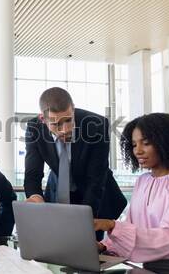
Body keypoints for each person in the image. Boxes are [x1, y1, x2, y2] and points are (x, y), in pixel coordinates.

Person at [94, 113, 169, 274]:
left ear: (165, 143)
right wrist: (104, 246)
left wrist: (112, 225)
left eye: (145, 143)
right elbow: (132, 227)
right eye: (134, 145)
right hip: (145, 264)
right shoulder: (143, 181)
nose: (138, 151)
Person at [24, 87, 127, 240]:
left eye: (68, 120)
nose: (64, 130)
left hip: (95, 197)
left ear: (73, 109)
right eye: (56, 124)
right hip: (58, 194)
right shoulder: (34, 128)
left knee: (89, 247)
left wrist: (82, 223)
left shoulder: (96, 125)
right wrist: (36, 196)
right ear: (42, 119)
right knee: (54, 244)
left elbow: (96, 181)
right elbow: (33, 174)